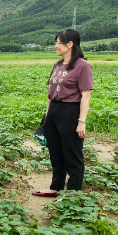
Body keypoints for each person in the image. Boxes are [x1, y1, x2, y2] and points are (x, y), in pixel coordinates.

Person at [33, 29, 92, 197]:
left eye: (58, 42)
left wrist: (82, 121)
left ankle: (72, 194)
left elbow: (86, 95)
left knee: (72, 154)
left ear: (70, 44)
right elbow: (50, 94)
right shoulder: (58, 65)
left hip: (70, 112)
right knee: (56, 153)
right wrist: (46, 117)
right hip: (54, 112)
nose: (56, 46)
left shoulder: (82, 66)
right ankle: (55, 187)